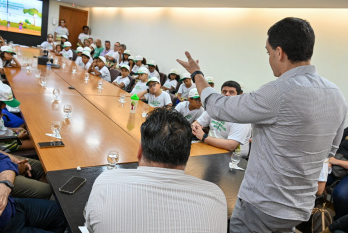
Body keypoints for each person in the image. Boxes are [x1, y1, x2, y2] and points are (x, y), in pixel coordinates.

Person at [177, 17, 347, 232]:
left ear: (279, 52)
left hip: (262, 205)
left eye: (268, 53)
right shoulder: (336, 95)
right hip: (300, 206)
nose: (269, 58)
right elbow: (330, 150)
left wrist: (197, 74)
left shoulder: (279, 91)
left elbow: (219, 107)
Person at [85, 107, 227, 233]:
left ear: (140, 151)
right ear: (187, 154)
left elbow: (91, 227)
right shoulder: (215, 195)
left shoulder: (106, 183)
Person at [0, 151, 66, 232]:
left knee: (66, 214)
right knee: (46, 190)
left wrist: (5, 184)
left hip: (14, 207)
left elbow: (1, 158)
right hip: (5, 227)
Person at [191, 81, 251, 155]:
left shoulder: (242, 117)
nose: (227, 94)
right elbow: (196, 123)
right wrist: (195, 127)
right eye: (224, 91)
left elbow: (231, 145)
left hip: (232, 156)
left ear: (239, 96)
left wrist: (204, 137)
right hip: (211, 147)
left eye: (231, 92)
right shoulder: (214, 108)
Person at [0, 85, 33, 152]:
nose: (6, 106)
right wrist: (17, 138)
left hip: (9, 136)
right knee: (36, 144)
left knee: (33, 136)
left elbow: (1, 128)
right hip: (4, 144)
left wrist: (15, 129)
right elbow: (0, 138)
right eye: (5, 103)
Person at [327, 127, 348, 220]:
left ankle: (338, 223)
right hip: (334, 165)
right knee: (315, 181)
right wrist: (329, 160)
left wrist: (337, 162)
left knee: (341, 195)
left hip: (341, 166)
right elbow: (334, 145)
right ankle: (313, 215)